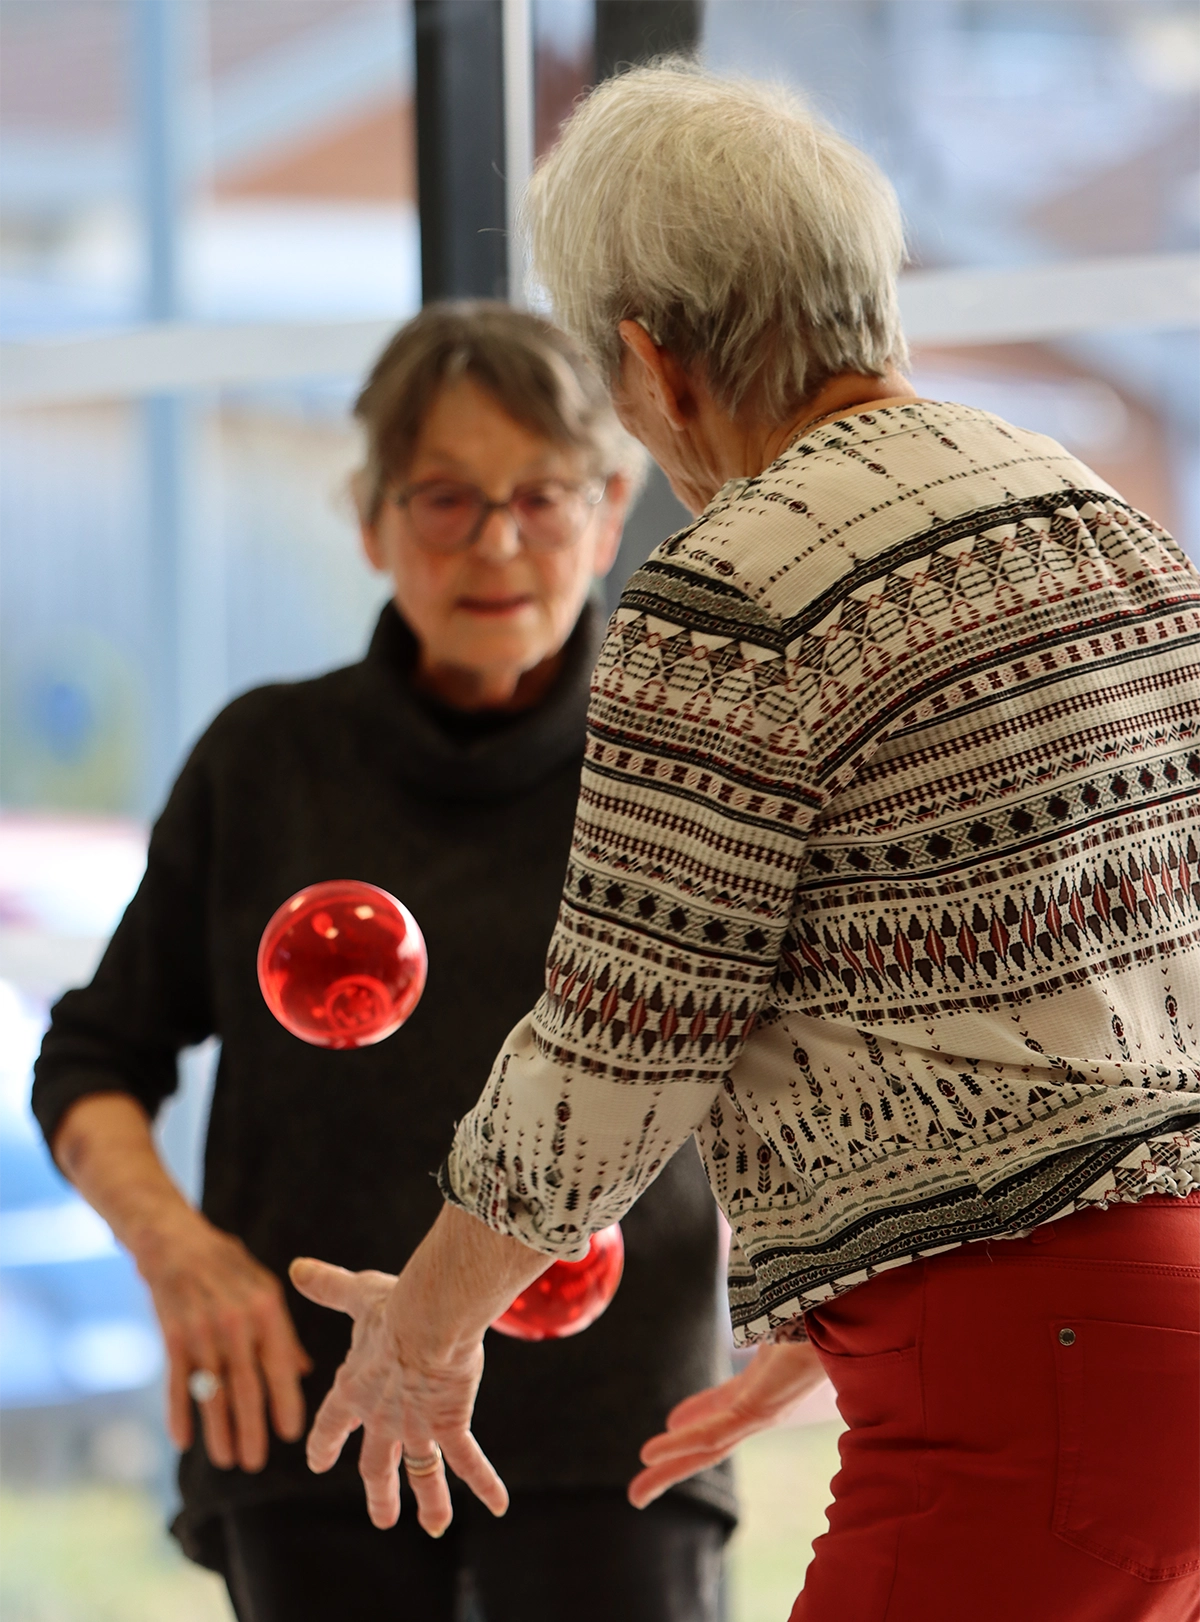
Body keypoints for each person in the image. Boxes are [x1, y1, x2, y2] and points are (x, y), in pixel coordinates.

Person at [290, 62, 1200, 1622]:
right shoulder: (1093, 517)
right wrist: (848, 1280)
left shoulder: (734, 590)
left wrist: (427, 1329)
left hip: (1025, 1384)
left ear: (654, 358)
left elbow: (620, 1046)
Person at [31, 302, 737, 1622]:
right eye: (446, 500)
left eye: (541, 495)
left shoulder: (677, 775)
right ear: (370, 517)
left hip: (615, 1426)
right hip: (310, 1417)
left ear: (611, 506)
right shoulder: (263, 763)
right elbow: (91, 1055)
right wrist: (181, 1251)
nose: (499, 542)